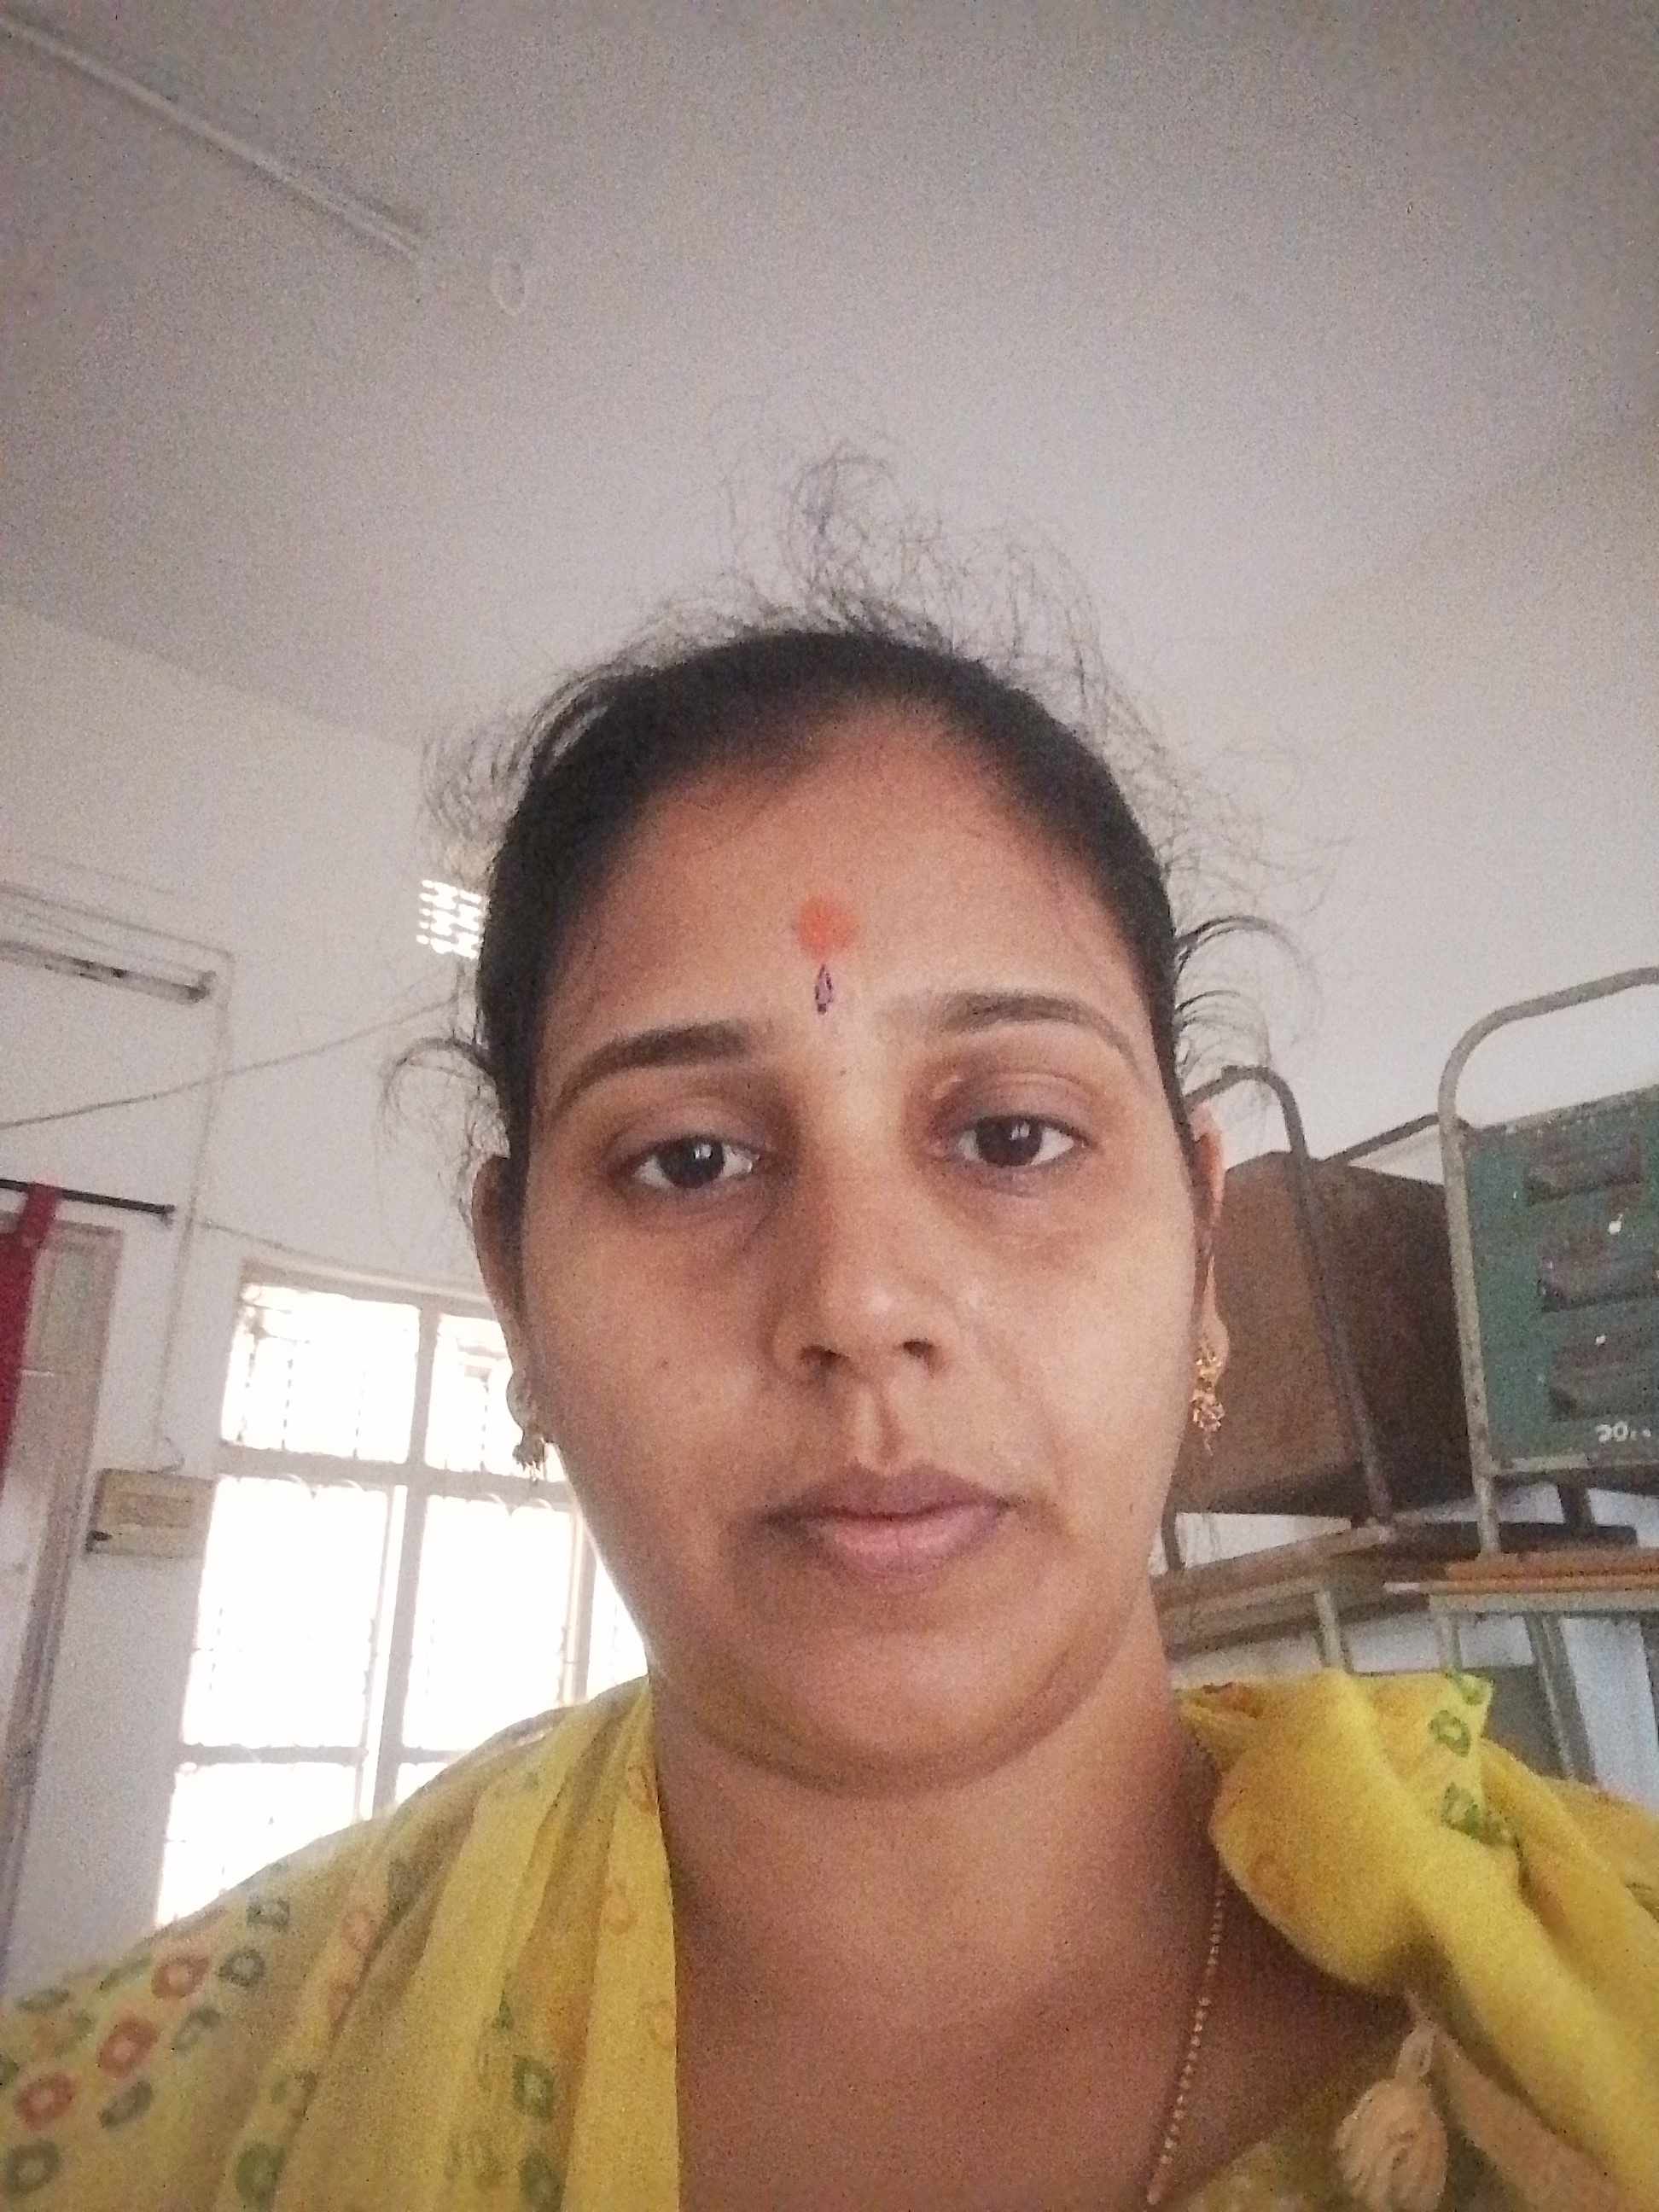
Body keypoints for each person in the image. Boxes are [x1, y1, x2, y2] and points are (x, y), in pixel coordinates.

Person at [3, 610, 1656, 2211]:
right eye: (689, 1160)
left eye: (1012, 1137)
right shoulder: (133, 2126)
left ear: (1202, 1247)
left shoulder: (1600, 2000)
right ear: (516, 1292)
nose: (859, 1302)